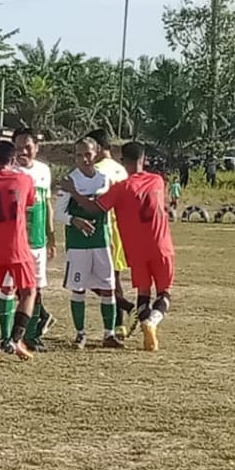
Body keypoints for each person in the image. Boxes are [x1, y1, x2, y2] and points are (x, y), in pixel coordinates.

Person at [60, 142, 173, 352]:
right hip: (162, 245)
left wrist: (74, 192)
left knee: (143, 293)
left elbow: (93, 208)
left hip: (137, 250)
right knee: (164, 293)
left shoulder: (120, 188)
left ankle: (140, 321)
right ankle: (152, 322)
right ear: (144, 159)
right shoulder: (158, 181)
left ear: (123, 162)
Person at [54, 138, 120, 349]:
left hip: (101, 241)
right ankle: (80, 333)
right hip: (78, 244)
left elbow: (106, 210)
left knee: (108, 287)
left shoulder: (104, 179)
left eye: (88, 154)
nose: (83, 159)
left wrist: (109, 237)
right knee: (78, 288)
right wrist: (74, 220)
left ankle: (109, 334)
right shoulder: (69, 180)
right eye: (79, 155)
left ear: (97, 152)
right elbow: (58, 213)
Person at [0, 141, 37, 362]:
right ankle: (15, 338)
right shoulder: (24, 180)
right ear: (13, 160)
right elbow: (29, 202)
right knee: (29, 291)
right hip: (17, 247)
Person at [87, 129, 136, 334]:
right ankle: (119, 324)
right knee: (113, 278)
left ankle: (125, 307)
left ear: (97, 148)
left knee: (87, 279)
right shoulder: (121, 170)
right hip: (121, 228)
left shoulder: (95, 170)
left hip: (103, 228)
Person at [13, 129, 56, 351]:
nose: (23, 151)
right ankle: (10, 336)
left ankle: (31, 335)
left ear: (36, 148)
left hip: (37, 239)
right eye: (19, 146)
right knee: (12, 289)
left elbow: (47, 203)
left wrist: (51, 236)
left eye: (27, 146)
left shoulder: (43, 170)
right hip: (14, 241)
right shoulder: (10, 172)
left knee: (37, 287)